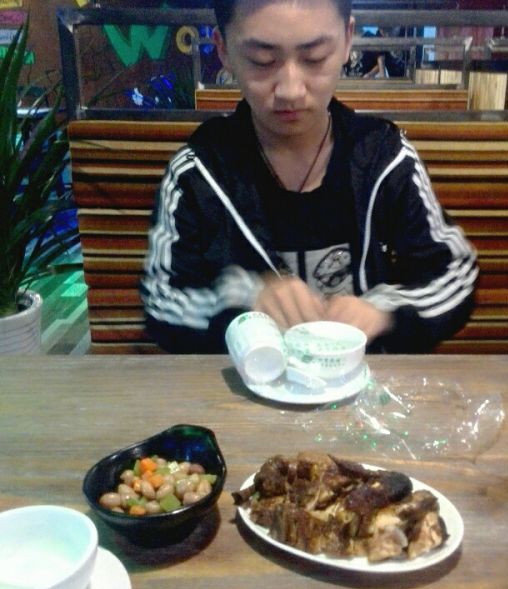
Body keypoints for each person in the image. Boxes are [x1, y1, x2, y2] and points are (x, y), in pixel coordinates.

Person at [141, 0, 478, 354]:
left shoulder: (384, 159)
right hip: (246, 384)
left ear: (347, 40)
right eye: (262, 60)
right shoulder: (199, 172)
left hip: (363, 383)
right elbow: (161, 302)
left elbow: (455, 274)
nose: (290, 89)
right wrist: (245, 302)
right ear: (223, 50)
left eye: (314, 57)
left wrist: (385, 311)